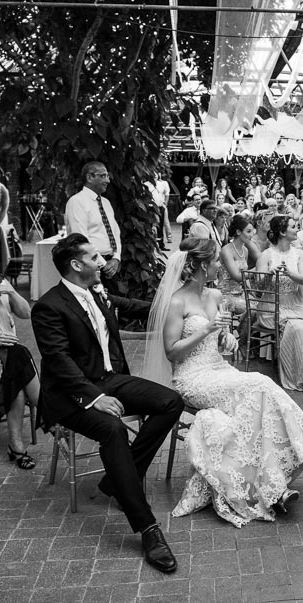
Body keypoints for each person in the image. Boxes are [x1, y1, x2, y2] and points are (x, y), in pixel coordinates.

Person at [142, 238, 303, 528]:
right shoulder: (177, 301)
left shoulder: (214, 295)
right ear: (199, 265)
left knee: (257, 397)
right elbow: (172, 351)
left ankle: (275, 487)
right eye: (214, 262)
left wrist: (226, 338)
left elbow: (218, 340)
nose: (219, 266)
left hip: (218, 368)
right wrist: (206, 329)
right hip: (192, 377)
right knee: (259, 384)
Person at [31, 233, 184, 573]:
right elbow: (58, 360)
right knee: (113, 429)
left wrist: (181, 307)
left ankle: (117, 479)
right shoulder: (49, 306)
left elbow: (133, 308)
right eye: (94, 257)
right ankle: (147, 528)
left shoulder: (96, 294)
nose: (102, 262)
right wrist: (94, 397)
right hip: (71, 395)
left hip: (110, 379)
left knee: (170, 402)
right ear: (76, 265)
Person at [256, 217, 303, 394]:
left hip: (294, 302)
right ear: (282, 232)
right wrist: (268, 274)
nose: (297, 229)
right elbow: (259, 286)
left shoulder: (298, 253)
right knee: (296, 327)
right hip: (271, 305)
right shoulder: (266, 255)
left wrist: (289, 273)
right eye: (293, 227)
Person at [0, 275, 40, 469]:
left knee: (16, 358)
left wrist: (10, 290)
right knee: (19, 355)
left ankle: (16, 446)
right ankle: (50, 415)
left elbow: (25, 313)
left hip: (8, 360)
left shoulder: (2, 283)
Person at [64, 162, 122, 283]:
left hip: (111, 266)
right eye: (103, 176)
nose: (108, 180)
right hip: (90, 267)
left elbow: (115, 232)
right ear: (89, 177)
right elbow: (80, 239)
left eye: (107, 176)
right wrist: (103, 264)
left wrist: (116, 258)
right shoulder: (77, 202)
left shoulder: (105, 203)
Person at [218, 215, 255, 312]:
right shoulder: (227, 250)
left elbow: (244, 278)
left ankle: (243, 327)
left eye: (252, 231)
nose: (251, 235)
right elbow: (237, 276)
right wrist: (257, 269)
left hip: (241, 292)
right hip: (226, 294)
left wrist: (251, 291)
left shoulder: (245, 250)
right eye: (248, 231)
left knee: (262, 307)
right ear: (238, 232)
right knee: (253, 310)